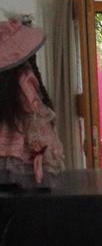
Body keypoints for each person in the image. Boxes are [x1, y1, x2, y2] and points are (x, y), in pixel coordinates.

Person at [0, 18, 64, 185]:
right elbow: (32, 103)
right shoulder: (23, 76)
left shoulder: (10, 81)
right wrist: (38, 109)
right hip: (24, 125)